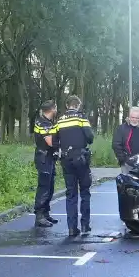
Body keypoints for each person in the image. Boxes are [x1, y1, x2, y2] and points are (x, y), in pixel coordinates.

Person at [53, 95, 95, 237]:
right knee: (85, 191)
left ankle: (72, 228)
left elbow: (54, 140)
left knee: (70, 193)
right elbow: (90, 137)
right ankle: (85, 225)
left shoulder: (59, 120)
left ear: (67, 105)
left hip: (66, 159)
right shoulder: (81, 118)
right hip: (81, 158)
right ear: (77, 105)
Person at [32, 100, 60, 228]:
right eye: (56, 108)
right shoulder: (43, 123)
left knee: (50, 186)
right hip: (44, 158)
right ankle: (39, 216)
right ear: (52, 109)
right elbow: (50, 141)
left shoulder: (47, 122)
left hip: (48, 157)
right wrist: (61, 144)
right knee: (44, 187)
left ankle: (46, 213)